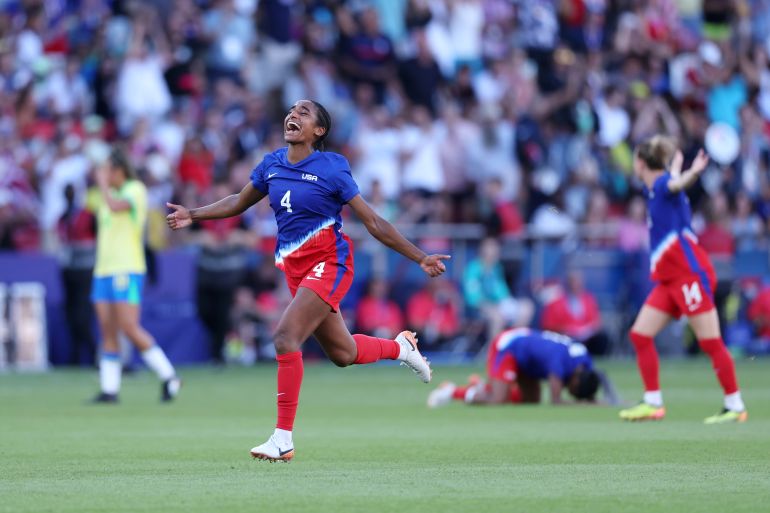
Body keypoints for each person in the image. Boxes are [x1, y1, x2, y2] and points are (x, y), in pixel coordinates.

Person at [166, 99, 449, 462]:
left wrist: (420, 256)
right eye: (291, 110)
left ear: (319, 131)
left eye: (304, 112)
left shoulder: (332, 167)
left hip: (331, 264)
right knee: (343, 354)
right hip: (296, 271)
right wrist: (194, 213)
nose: (293, 115)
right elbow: (239, 201)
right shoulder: (272, 164)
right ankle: (401, 349)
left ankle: (282, 438)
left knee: (285, 337)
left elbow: (373, 221)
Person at [619, 135, 747, 424]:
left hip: (689, 277)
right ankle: (653, 402)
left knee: (711, 342)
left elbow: (676, 184)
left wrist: (691, 173)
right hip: (669, 280)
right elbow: (673, 182)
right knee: (639, 335)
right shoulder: (656, 188)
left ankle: (735, 404)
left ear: (640, 163)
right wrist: (678, 168)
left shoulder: (664, 186)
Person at [91, 149, 181, 403]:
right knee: (107, 330)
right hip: (103, 270)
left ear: (118, 170)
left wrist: (102, 186)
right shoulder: (110, 195)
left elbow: (116, 207)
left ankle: (169, 375)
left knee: (129, 326)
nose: (103, 174)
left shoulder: (135, 190)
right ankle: (110, 389)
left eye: (107, 169)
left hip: (127, 269)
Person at [427, 328, 614, 408]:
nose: (570, 391)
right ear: (576, 378)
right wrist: (587, 404)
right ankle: (452, 391)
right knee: (498, 400)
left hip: (528, 358)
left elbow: (596, 377)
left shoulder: (584, 363)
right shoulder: (559, 361)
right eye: (573, 391)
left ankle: (484, 386)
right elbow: (556, 401)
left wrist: (598, 399)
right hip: (509, 346)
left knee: (531, 400)